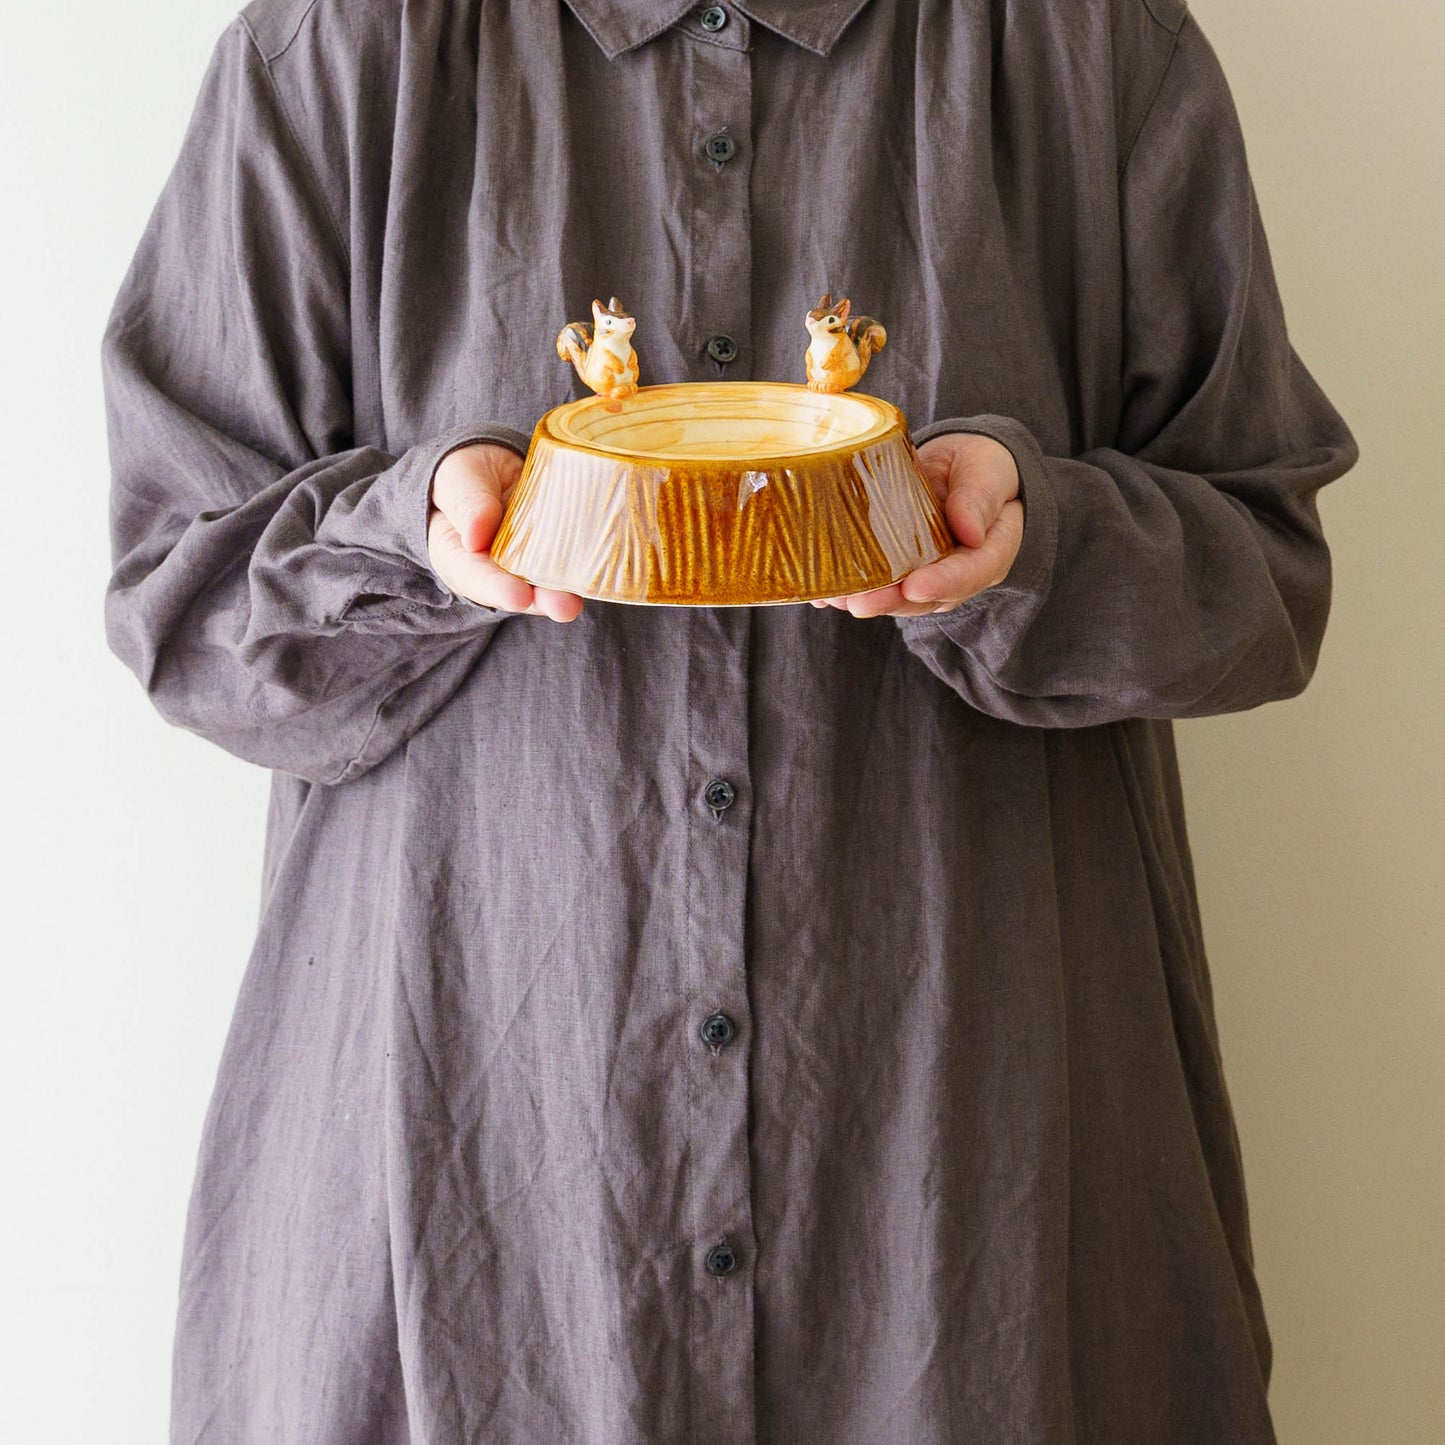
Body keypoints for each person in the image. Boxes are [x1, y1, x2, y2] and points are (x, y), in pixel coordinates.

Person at [101, 1, 1358, 1440]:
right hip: (479, 1231)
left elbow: (1266, 574)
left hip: (963, 1238)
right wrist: (414, 535)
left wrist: (1031, 539)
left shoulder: (1089, 46)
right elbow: (177, 597)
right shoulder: (342, 52)